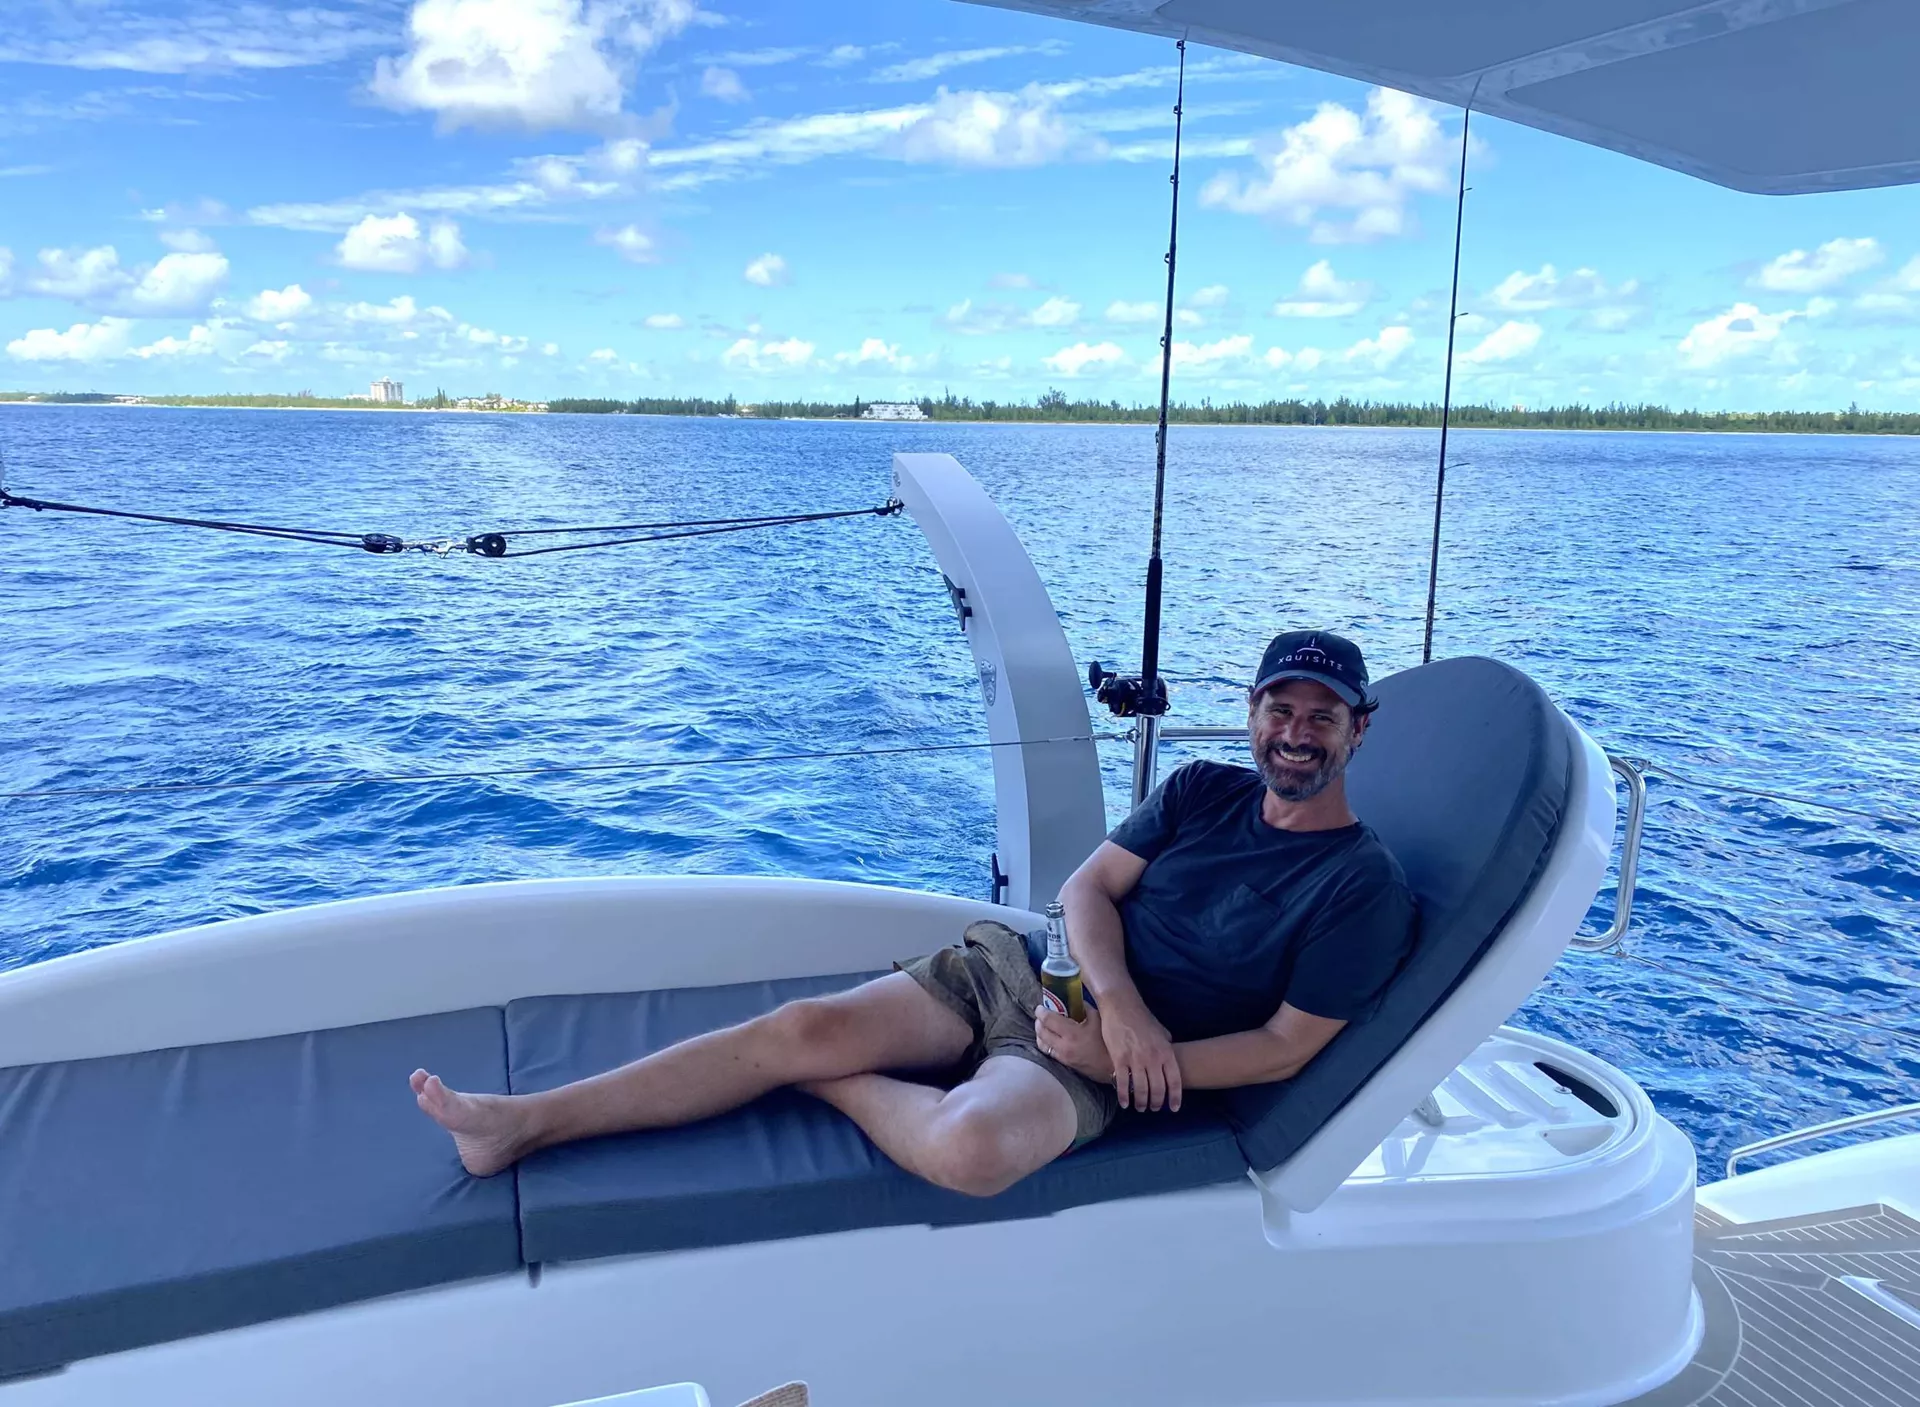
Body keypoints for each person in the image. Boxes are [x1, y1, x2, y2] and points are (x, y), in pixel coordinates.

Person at [411, 629, 1416, 1197]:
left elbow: (1283, 1049)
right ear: (1251, 713)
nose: (1295, 734)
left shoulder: (1360, 886)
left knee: (970, 1153)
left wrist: (1127, 1060)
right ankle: (522, 1122)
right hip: (1041, 977)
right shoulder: (1201, 789)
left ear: (1359, 732)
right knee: (800, 1024)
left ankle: (827, 1084)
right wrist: (1121, 1007)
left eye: (1321, 717)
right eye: (1279, 710)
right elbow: (1086, 891)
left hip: (1107, 1065)